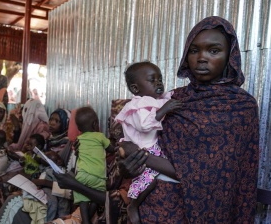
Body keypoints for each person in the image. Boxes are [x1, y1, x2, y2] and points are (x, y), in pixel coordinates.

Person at [56, 16, 260, 223]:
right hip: (156, 209)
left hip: (209, 211)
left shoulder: (241, 107)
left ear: (230, 57)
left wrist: (142, 156)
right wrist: (127, 165)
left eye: (214, 51)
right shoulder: (174, 99)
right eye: (194, 50)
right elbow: (139, 143)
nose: (201, 58)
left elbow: (216, 172)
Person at [114, 61, 182, 223]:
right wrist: (165, 110)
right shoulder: (137, 105)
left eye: (160, 79)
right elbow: (144, 125)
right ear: (135, 88)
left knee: (154, 179)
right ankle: (133, 205)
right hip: (141, 149)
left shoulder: (153, 100)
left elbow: (167, 97)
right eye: (152, 80)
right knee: (149, 181)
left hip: (151, 148)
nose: (158, 83)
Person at [73, 106, 115, 224]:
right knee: (96, 198)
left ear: (79, 128)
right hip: (98, 176)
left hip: (82, 175)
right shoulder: (100, 136)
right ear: (95, 123)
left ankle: (85, 221)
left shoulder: (78, 139)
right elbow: (111, 149)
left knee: (83, 200)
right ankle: (89, 218)